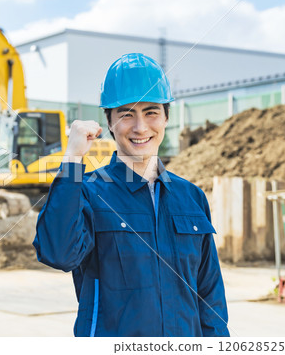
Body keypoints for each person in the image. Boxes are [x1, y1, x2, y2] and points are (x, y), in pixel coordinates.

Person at [33, 53, 229, 337]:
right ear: (109, 122)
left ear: (165, 118)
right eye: (126, 114)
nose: (140, 127)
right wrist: (72, 160)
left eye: (151, 112)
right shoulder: (88, 191)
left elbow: (209, 295)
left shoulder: (191, 197)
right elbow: (58, 254)